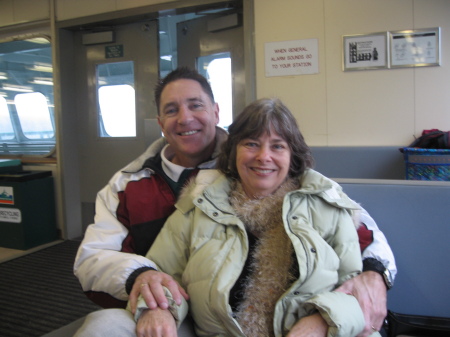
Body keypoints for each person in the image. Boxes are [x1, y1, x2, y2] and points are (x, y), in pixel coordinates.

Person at [74, 68, 396, 336]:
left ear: (216, 112)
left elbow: (356, 227)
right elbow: (92, 259)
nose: (185, 118)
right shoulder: (137, 188)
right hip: (192, 314)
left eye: (196, 105)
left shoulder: (296, 189)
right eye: (172, 110)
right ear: (160, 122)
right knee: (102, 327)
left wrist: (375, 272)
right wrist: (146, 285)